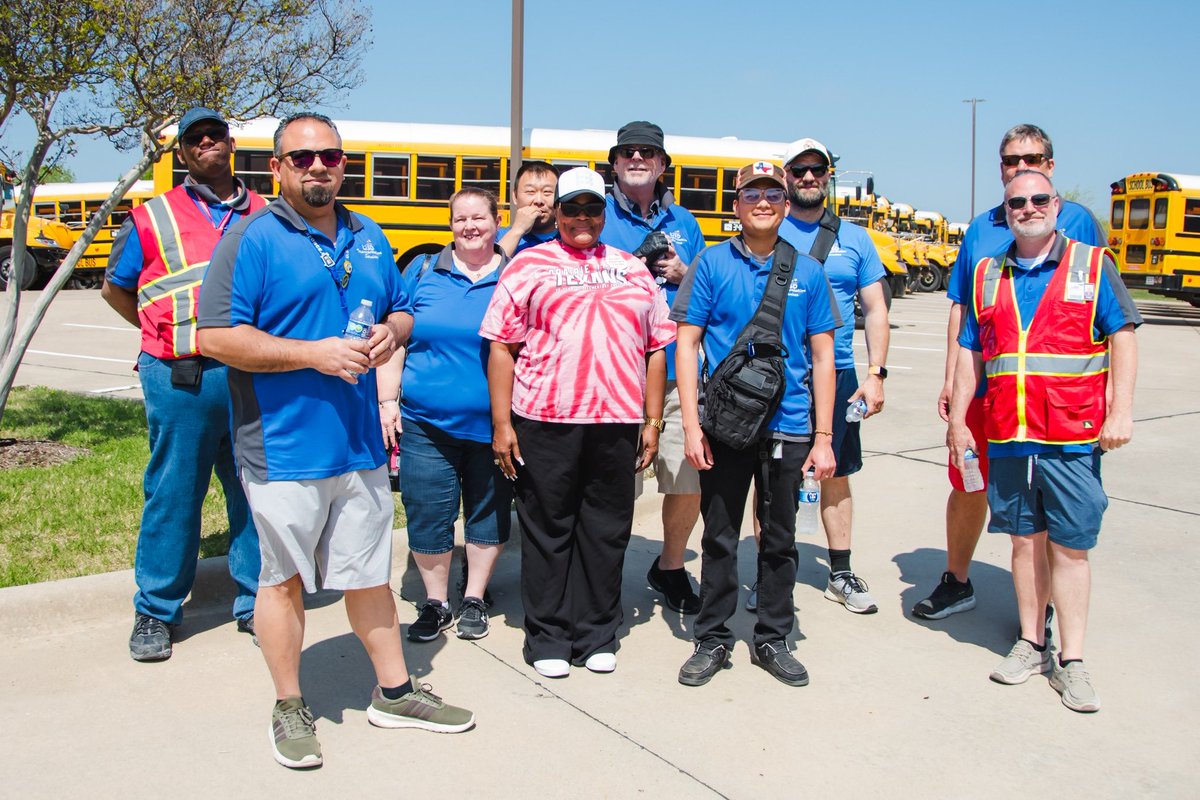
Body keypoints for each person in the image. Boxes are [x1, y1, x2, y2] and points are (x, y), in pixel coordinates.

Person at [197, 112, 473, 770]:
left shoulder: (370, 235)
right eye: (303, 158)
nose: (318, 167)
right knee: (283, 579)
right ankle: (290, 706)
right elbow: (214, 337)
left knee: (368, 575)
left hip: (359, 446)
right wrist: (310, 355)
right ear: (278, 167)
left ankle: (396, 693)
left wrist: (393, 333)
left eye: (330, 156)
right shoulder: (252, 238)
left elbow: (402, 307)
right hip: (284, 446)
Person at [947, 170, 1140, 712]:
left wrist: (1120, 412)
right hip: (1010, 432)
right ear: (1005, 211)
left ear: (1056, 204)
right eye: (1016, 202)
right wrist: (960, 417)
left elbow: (1122, 336)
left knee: (1071, 547)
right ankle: (1032, 643)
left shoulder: (1092, 264)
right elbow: (972, 352)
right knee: (1023, 541)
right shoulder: (988, 273)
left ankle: (1072, 661)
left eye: (1037, 199)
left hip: (1073, 434)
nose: (1027, 208)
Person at [479, 167, 673, 678]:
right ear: (557, 213)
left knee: (606, 529)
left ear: (604, 214)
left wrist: (652, 420)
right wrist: (503, 423)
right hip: (546, 418)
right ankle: (548, 634)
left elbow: (656, 348)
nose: (582, 218)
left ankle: (596, 632)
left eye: (592, 208)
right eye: (572, 209)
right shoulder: (527, 265)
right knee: (548, 527)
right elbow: (501, 345)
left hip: (616, 419)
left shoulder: (632, 269)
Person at [915, 124, 1105, 622]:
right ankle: (957, 581)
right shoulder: (981, 228)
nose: (1020, 168)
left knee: (1044, 500)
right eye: (1010, 160)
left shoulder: (1078, 221)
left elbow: (1101, 312)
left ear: (1051, 165)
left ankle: (1039, 608)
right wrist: (951, 378)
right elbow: (962, 308)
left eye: (1032, 158)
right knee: (967, 478)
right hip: (987, 383)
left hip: (1053, 398)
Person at [102, 106, 263, 662]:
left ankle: (254, 601)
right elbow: (116, 289)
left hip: (251, 376)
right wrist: (157, 337)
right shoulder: (153, 216)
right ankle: (156, 610)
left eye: (214, 134)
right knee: (173, 493)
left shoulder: (267, 214)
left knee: (253, 493)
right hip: (181, 378)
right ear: (183, 153)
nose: (206, 144)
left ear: (230, 142)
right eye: (195, 139)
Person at [673, 162, 838, 688]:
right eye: (752, 194)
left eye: (773, 194)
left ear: (787, 205)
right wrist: (694, 426)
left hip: (789, 427)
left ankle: (771, 636)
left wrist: (825, 437)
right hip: (724, 426)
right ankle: (713, 637)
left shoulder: (808, 273)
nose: (763, 202)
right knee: (720, 536)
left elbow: (823, 354)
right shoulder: (712, 263)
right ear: (737, 205)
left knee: (780, 538)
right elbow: (687, 341)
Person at [376, 187, 512, 643]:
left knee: (488, 513)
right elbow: (397, 338)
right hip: (425, 423)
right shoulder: (423, 271)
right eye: (460, 220)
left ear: (497, 222)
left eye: (479, 218)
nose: (470, 227)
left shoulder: (516, 275)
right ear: (450, 225)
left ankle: (474, 596)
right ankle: (435, 602)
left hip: (495, 425)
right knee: (427, 512)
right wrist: (387, 400)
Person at [598, 120, 708, 615]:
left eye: (648, 153)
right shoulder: (595, 214)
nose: (637, 159)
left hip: (679, 367)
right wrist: (632, 269)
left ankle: (669, 567)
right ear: (615, 162)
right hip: (618, 369)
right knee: (619, 482)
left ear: (663, 164)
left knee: (687, 474)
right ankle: (606, 576)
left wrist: (687, 275)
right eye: (628, 153)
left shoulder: (685, 221)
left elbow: (709, 292)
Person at [777, 137, 890, 615]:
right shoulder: (769, 230)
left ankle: (840, 571)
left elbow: (876, 308)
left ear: (828, 176)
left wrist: (876, 373)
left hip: (839, 372)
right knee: (775, 477)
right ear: (787, 177)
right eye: (798, 170)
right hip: (779, 374)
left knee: (836, 472)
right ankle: (773, 570)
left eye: (816, 170)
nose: (807, 177)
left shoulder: (856, 239)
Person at [497, 160, 558, 256]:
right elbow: (492, 268)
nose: (538, 200)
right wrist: (517, 231)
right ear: (515, 197)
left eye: (547, 192)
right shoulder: (497, 236)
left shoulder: (569, 239)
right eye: (530, 191)